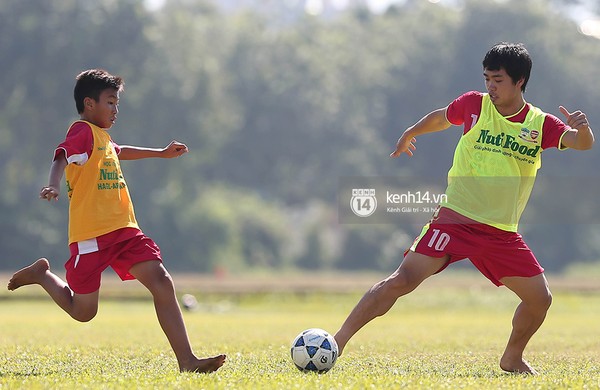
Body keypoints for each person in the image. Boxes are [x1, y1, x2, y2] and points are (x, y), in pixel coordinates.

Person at [334, 42, 594, 375]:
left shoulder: (540, 124)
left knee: (540, 299)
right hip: (454, 220)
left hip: (501, 232)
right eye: (487, 78)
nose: (491, 86)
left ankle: (511, 358)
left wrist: (583, 127)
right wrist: (411, 132)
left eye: (498, 80)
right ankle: (336, 342)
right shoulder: (474, 105)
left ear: (520, 81)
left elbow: (581, 143)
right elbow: (441, 119)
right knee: (403, 280)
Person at [7, 69, 226, 373]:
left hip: (124, 231)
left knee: (162, 282)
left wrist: (161, 153)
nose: (115, 110)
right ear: (89, 103)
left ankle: (187, 361)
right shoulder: (81, 131)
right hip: (91, 237)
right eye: (110, 102)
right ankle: (43, 275)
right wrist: (53, 185)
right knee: (84, 312)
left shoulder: (103, 138)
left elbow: (120, 151)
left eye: (117, 104)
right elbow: (60, 156)